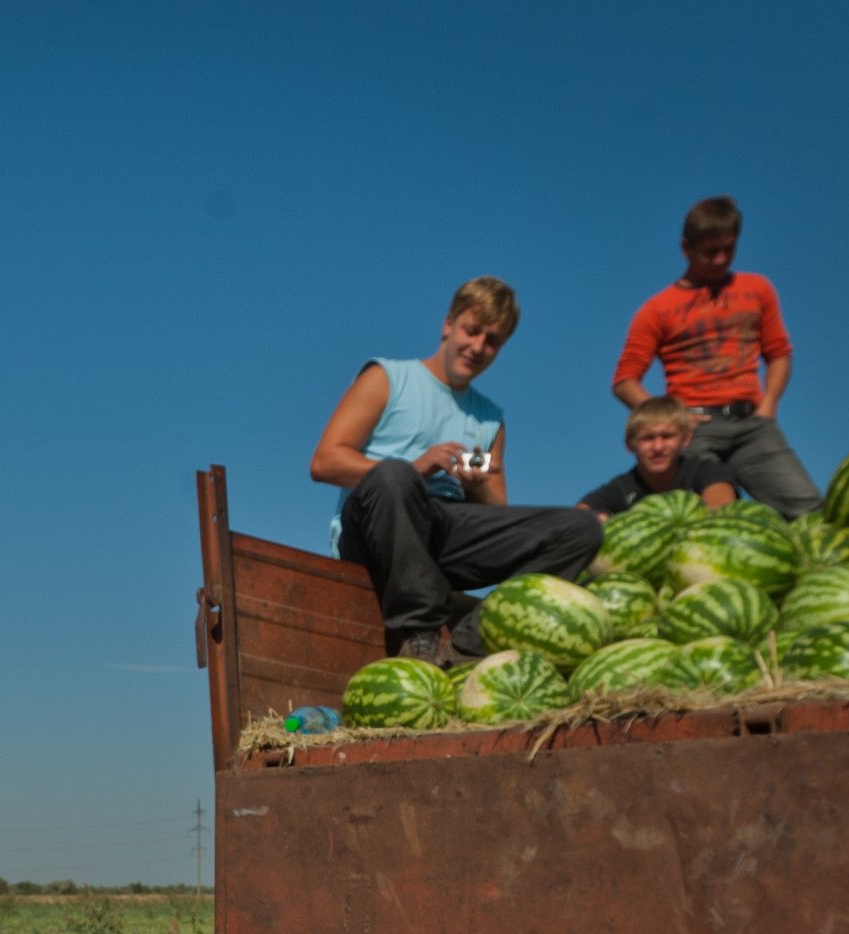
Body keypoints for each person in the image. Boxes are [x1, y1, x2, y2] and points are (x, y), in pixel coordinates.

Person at [309, 277, 602, 665]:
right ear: (448, 324)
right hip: (377, 529)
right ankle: (418, 634)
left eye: (492, 341)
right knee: (395, 476)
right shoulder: (388, 377)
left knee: (581, 529)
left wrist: (473, 487)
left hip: (444, 529)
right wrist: (418, 467)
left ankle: (472, 643)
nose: (478, 346)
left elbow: (497, 512)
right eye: (472, 330)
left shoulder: (491, 419)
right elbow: (325, 461)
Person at [611, 195, 820, 518]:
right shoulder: (656, 309)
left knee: (808, 511)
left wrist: (769, 407)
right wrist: (672, 418)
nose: (721, 260)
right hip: (697, 428)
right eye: (710, 252)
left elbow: (779, 353)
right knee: (710, 521)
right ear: (687, 248)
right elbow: (625, 380)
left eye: (729, 250)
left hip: (753, 421)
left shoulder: (757, 289)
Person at [578, 396, 739, 515]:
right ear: (629, 444)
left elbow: (721, 510)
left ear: (686, 438)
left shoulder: (708, 471)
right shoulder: (621, 488)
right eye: (647, 438)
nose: (658, 447)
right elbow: (579, 516)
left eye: (667, 436)